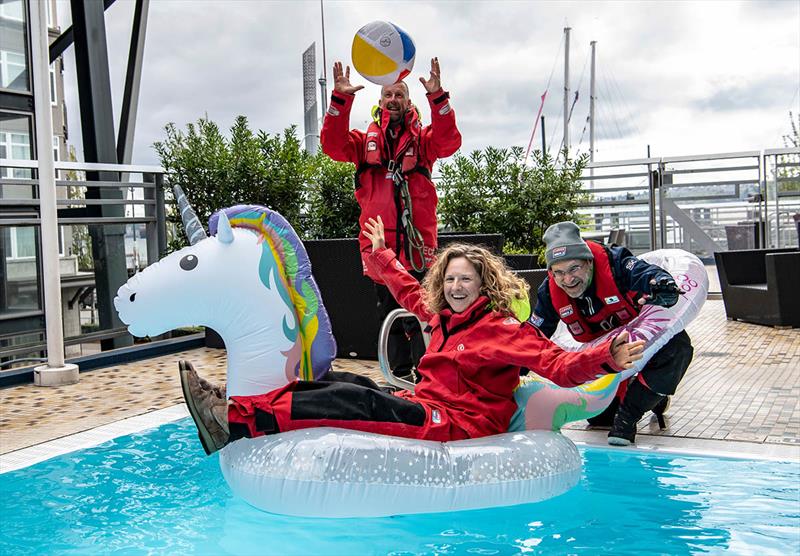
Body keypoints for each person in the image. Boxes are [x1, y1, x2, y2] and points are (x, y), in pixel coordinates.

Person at [179, 216, 646, 455]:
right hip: (428, 406)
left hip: (458, 427)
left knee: (359, 402)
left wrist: (607, 354)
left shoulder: (502, 330)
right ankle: (235, 402)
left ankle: (235, 421)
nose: (456, 287)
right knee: (349, 380)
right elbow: (407, 290)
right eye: (450, 279)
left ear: (484, 284)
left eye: (465, 280)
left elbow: (559, 365)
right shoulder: (444, 316)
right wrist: (381, 255)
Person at [319, 58, 462, 382]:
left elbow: (449, 141)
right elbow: (332, 145)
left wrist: (438, 97)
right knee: (388, 313)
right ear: (380, 101)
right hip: (379, 244)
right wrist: (340, 100)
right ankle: (400, 378)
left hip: (416, 244)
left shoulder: (423, 142)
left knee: (424, 311)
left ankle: (429, 377)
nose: (393, 100)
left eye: (399, 94)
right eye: (388, 95)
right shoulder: (362, 142)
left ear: (408, 101)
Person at [529, 221, 694, 446]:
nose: (568, 280)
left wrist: (663, 285)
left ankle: (628, 418)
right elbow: (534, 337)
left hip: (639, 340)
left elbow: (645, 273)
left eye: (574, 268)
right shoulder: (549, 291)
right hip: (602, 356)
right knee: (600, 417)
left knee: (678, 346)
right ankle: (654, 398)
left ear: (588, 261)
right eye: (559, 273)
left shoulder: (616, 263)